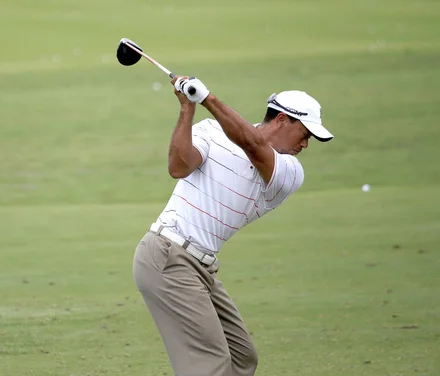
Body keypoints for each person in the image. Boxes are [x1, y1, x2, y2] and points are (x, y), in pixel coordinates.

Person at [132, 76, 334, 376]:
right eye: (304, 134)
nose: (305, 144)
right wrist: (188, 109)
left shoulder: (290, 172)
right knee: (210, 363)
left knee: (241, 357)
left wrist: (208, 99)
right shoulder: (212, 132)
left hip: (200, 267)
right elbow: (178, 167)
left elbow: (253, 145)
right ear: (282, 120)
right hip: (166, 256)